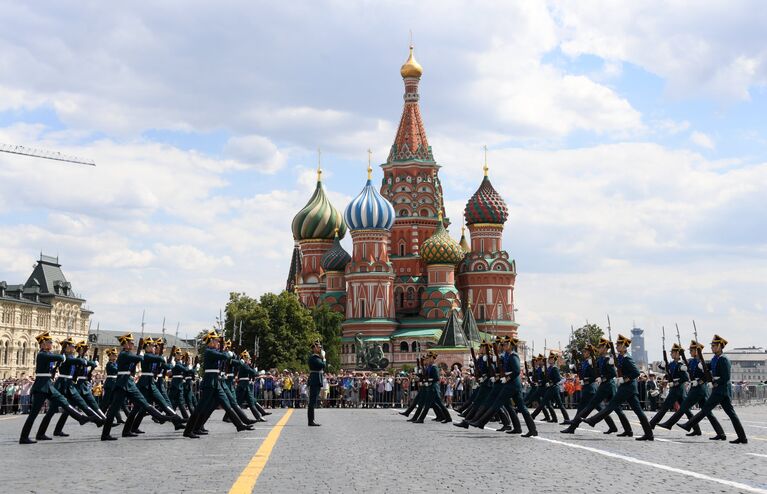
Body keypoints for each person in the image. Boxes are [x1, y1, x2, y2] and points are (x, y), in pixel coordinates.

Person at [19, 332, 94, 444]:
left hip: (48, 385)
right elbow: (57, 357)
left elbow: (56, 359)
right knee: (33, 414)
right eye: (49, 342)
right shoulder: (42, 354)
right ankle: (24, 437)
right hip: (41, 387)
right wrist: (63, 355)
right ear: (43, 343)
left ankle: (80, 418)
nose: (51, 344)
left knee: (63, 401)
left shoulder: (47, 354)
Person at [100, 333, 177, 441]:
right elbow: (139, 358)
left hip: (129, 384)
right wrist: (142, 355)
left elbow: (136, 362)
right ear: (125, 344)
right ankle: (105, 434)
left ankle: (160, 417)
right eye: (131, 343)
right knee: (113, 410)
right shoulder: (123, 354)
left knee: (144, 403)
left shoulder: (129, 354)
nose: (133, 344)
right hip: (121, 384)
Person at [678, 334, 747, 444]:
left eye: (714, 345)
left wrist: (714, 383)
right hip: (719, 389)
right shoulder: (715, 359)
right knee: (731, 414)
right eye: (712, 345)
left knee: (706, 409)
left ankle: (689, 424)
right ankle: (742, 437)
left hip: (721, 389)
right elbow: (708, 367)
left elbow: (725, 378)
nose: (712, 347)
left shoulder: (724, 360)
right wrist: (701, 362)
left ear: (720, 346)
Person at [182, 331, 253, 438]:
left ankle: (239, 425)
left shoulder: (215, 351)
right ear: (210, 341)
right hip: (209, 382)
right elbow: (224, 357)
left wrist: (231, 354)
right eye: (216, 340)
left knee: (227, 404)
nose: (218, 342)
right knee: (200, 407)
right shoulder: (209, 351)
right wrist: (227, 352)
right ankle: (188, 431)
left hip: (216, 382)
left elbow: (225, 358)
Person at [583, 334, 654, 441]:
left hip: (627, 387)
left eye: (618, 345)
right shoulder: (620, 357)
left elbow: (635, 372)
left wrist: (625, 379)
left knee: (611, 406)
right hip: (627, 388)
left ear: (624, 346)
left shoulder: (627, 358)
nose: (616, 346)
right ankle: (647, 434)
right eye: (616, 345)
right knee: (638, 411)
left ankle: (593, 420)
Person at [36, 337, 105, 439]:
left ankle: (99, 421)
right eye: (72, 346)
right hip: (61, 385)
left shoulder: (70, 356)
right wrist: (92, 363)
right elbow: (79, 361)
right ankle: (41, 433)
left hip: (69, 385)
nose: (74, 348)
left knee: (81, 404)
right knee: (52, 411)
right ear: (67, 347)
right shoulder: (66, 357)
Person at [657, 340, 726, 440]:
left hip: (699, 388)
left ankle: (669, 423)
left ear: (697, 351)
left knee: (683, 407)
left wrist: (699, 382)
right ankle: (720, 433)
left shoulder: (701, 362)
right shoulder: (692, 361)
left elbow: (708, 376)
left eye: (692, 350)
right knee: (707, 412)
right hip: (696, 388)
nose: (690, 352)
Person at [561, 338, 631, 436]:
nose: (599, 348)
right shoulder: (599, 359)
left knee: (593, 407)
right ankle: (624, 429)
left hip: (607, 386)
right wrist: (575, 369)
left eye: (600, 347)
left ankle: (573, 425)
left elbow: (612, 374)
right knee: (613, 409)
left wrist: (600, 378)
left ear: (606, 349)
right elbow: (593, 372)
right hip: (602, 386)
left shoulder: (607, 359)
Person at [648, 343, 700, 435]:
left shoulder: (680, 365)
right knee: (686, 410)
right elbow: (665, 369)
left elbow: (685, 378)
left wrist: (675, 383)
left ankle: (652, 424)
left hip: (678, 389)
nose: (671, 354)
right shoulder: (672, 364)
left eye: (673, 352)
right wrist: (662, 365)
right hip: (675, 389)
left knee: (665, 407)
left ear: (677, 354)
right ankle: (697, 429)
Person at [307, 339, 326, 426]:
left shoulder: (316, 357)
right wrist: (324, 358)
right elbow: (323, 365)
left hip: (316, 379)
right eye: (319, 347)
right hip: (315, 380)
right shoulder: (314, 358)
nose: (320, 348)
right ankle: (311, 421)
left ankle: (312, 420)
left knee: (313, 401)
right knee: (312, 401)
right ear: (314, 348)